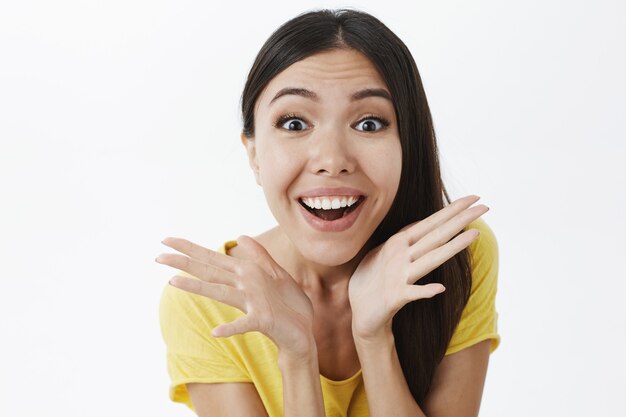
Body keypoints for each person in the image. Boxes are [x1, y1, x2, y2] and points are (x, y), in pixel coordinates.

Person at [157, 8, 499, 417]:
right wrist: (297, 356)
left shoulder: (453, 255)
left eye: (370, 124)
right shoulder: (207, 305)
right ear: (253, 155)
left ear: (409, 143)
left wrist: (374, 339)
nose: (332, 160)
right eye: (295, 123)